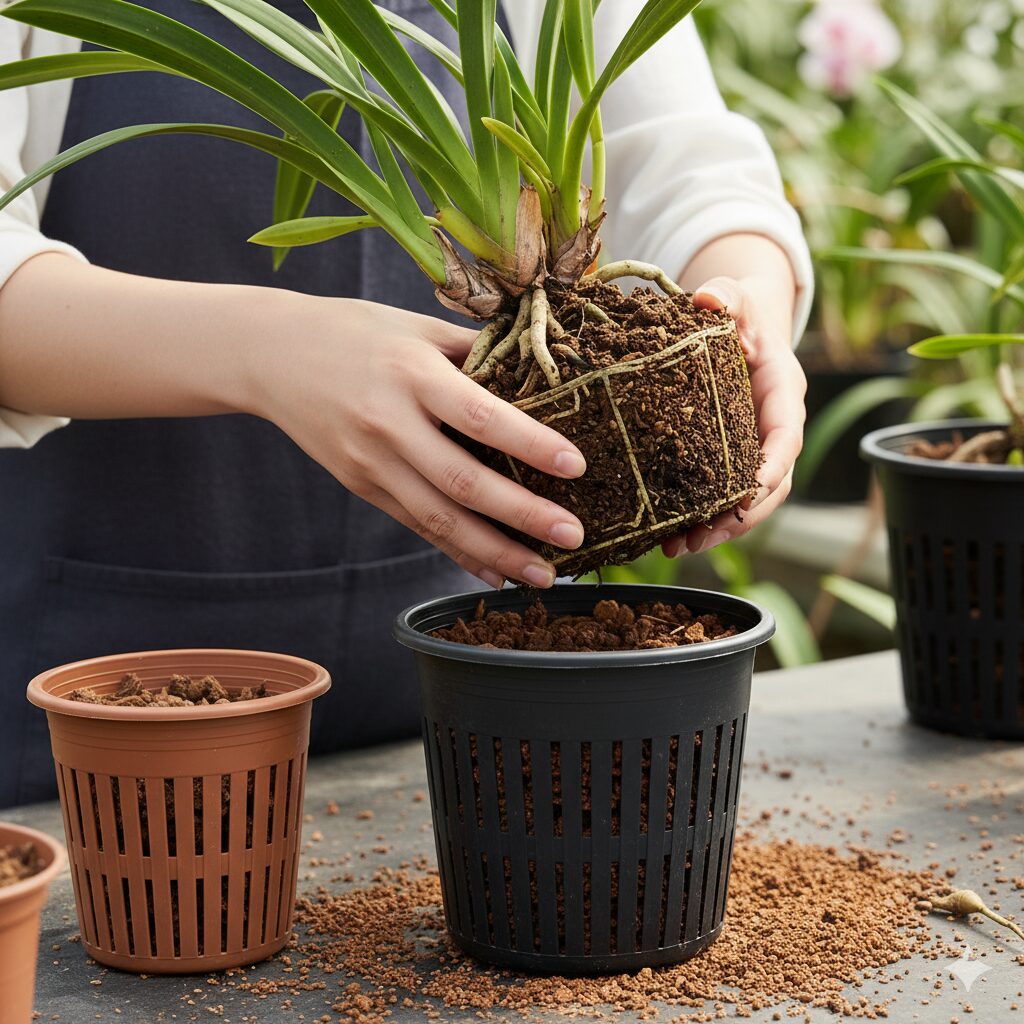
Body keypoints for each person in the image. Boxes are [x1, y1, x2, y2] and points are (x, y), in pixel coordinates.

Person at [0, 1, 812, 808]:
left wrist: (745, 309)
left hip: (472, 701)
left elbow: (691, 169)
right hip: (112, 716)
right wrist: (268, 349)